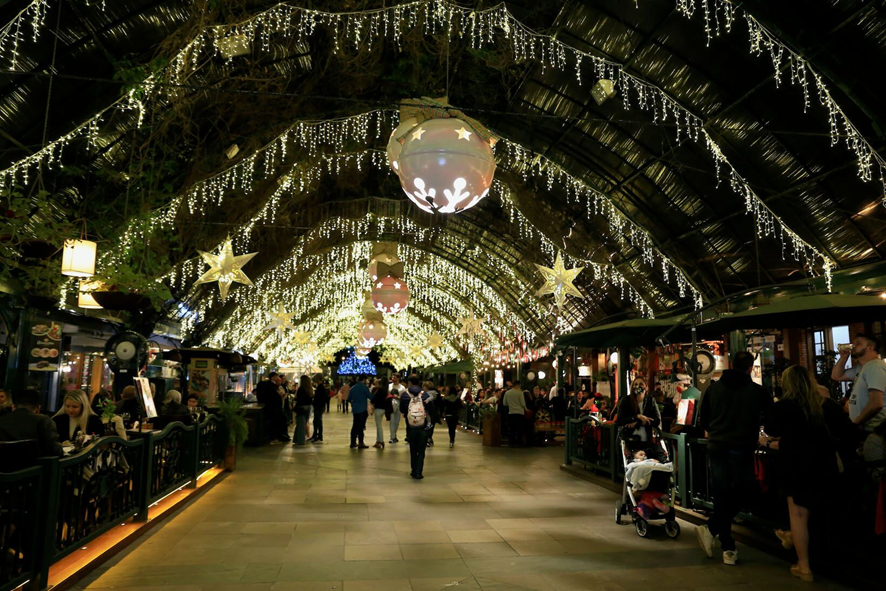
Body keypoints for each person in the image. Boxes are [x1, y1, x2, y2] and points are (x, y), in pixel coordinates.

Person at [759, 366, 838, 583]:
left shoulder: (783, 407)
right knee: (819, 509)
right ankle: (793, 537)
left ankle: (804, 566)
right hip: (824, 464)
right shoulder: (824, 405)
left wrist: (777, 443)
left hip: (795, 464)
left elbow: (772, 430)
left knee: (798, 514)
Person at [697, 351, 771, 566]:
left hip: (717, 445)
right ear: (750, 368)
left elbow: (705, 420)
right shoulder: (757, 392)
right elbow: (771, 420)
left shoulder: (714, 388)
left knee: (722, 494)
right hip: (742, 447)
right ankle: (722, 542)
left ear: (730, 364)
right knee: (744, 491)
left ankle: (725, 543)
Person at [0, 388, 63, 457]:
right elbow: (55, 451)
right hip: (34, 466)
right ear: (38, 408)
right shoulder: (44, 421)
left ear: (13, 407)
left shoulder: (2, 420)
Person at [842, 335, 886, 432]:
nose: (853, 346)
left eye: (858, 343)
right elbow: (836, 376)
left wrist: (855, 423)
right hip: (866, 427)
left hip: (873, 429)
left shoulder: (875, 366)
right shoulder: (865, 367)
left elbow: (876, 403)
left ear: (870, 348)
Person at [615, 378, 660, 444]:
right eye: (635, 384)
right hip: (628, 439)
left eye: (641, 384)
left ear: (646, 387)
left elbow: (657, 420)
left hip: (646, 439)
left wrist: (637, 423)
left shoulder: (650, 401)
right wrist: (637, 417)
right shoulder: (626, 400)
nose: (638, 386)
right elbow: (619, 420)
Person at [401, 375, 430, 479]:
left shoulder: (405, 395)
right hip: (423, 425)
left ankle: (413, 470)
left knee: (413, 449)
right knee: (421, 450)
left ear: (409, 382)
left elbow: (402, 410)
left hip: (410, 426)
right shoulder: (425, 395)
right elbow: (431, 409)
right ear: (420, 382)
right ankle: (419, 471)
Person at [257, 372, 290, 443]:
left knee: (279, 421)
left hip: (275, 407)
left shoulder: (272, 385)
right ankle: (275, 437)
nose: (278, 378)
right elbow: (271, 396)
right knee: (275, 423)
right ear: (273, 377)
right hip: (273, 408)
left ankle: (280, 436)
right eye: (277, 377)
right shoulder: (269, 385)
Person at [348, 376, 372, 449]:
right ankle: (361, 442)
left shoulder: (353, 388)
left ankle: (353, 442)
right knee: (361, 426)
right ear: (364, 380)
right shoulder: (365, 388)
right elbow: (371, 397)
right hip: (362, 409)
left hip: (355, 410)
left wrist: (353, 403)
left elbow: (349, 399)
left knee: (355, 425)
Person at [503, 380, 527, 447]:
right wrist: (526, 409)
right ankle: (519, 442)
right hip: (519, 413)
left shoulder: (507, 393)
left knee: (512, 429)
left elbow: (504, 403)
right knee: (519, 429)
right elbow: (523, 403)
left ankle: (512, 442)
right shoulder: (520, 393)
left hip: (511, 413)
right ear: (517, 385)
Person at [293, 375, 313, 446]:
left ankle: (300, 440)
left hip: (301, 407)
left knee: (300, 424)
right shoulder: (310, 389)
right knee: (303, 423)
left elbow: (299, 399)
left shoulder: (301, 389)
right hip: (308, 407)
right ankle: (296, 439)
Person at [371, 377, 388, 449]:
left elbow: (374, 399)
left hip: (378, 408)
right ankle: (378, 441)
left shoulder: (379, 390)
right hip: (384, 408)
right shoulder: (385, 390)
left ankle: (380, 441)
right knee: (379, 425)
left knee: (379, 426)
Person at [388, 374, 406, 443]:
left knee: (397, 421)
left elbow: (404, 397)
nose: (392, 378)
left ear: (398, 378)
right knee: (392, 420)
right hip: (390, 404)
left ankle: (394, 435)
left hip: (399, 404)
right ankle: (392, 436)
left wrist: (398, 397)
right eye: (392, 377)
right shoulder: (389, 386)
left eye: (394, 377)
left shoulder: (402, 387)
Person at [311, 376, 328, 443]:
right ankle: (316, 434)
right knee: (316, 421)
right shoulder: (320, 387)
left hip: (319, 406)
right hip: (319, 406)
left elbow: (320, 397)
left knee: (318, 421)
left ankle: (319, 435)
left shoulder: (320, 387)